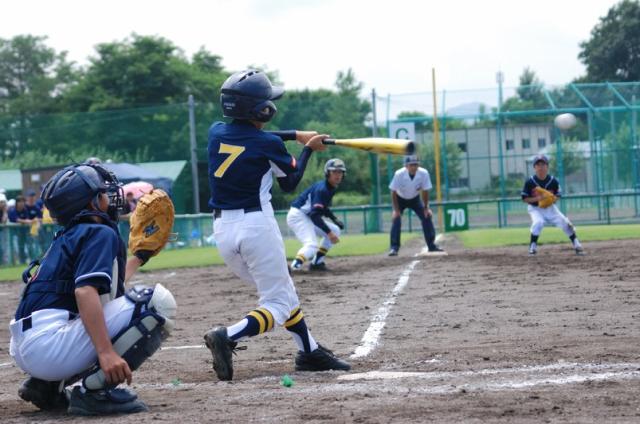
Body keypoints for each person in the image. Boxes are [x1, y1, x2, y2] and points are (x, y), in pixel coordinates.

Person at [203, 69, 350, 381]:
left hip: (223, 234)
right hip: (256, 228)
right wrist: (308, 148)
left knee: (284, 290)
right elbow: (290, 183)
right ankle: (227, 335)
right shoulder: (268, 145)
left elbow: (251, 139)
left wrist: (296, 135)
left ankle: (309, 352)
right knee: (277, 302)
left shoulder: (216, 132)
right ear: (263, 110)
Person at [9, 163, 177, 416]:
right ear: (90, 203)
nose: (109, 197)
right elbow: (85, 292)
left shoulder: (70, 235)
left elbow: (106, 290)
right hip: (50, 347)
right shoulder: (99, 232)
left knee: (106, 305)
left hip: (29, 347)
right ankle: (94, 392)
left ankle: (46, 385)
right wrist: (106, 353)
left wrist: (139, 258)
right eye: (102, 194)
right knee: (154, 302)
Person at [287, 158, 346, 271]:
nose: (338, 175)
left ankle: (317, 262)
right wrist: (329, 233)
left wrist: (334, 219)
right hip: (298, 216)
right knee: (312, 245)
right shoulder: (322, 189)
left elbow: (323, 208)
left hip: (306, 216)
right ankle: (294, 267)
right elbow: (315, 215)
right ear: (327, 173)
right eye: (334, 171)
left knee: (335, 230)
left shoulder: (330, 187)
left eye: (340, 172)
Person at [521, 154, 584, 256]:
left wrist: (552, 199)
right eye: (538, 165)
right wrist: (538, 198)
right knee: (538, 222)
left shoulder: (553, 181)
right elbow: (524, 198)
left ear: (547, 167)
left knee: (565, 222)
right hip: (535, 208)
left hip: (550, 208)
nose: (541, 167)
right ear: (534, 167)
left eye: (543, 164)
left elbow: (558, 194)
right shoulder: (530, 182)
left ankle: (577, 245)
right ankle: (532, 247)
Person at [388, 155, 444, 256]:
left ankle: (431, 246)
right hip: (400, 199)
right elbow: (393, 192)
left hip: (415, 199)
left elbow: (425, 191)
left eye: (416, 165)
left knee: (426, 217)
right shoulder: (399, 174)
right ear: (406, 166)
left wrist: (426, 208)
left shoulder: (423, 173)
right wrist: (396, 211)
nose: (414, 167)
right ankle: (394, 248)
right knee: (396, 220)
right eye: (411, 165)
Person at [8, 195, 32, 264]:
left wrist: (28, 221)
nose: (21, 203)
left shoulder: (25, 210)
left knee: (25, 247)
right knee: (16, 249)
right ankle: (13, 262)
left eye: (23, 202)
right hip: (13, 234)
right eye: (20, 202)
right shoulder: (12, 210)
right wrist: (28, 221)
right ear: (16, 203)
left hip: (24, 233)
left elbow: (27, 219)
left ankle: (25, 261)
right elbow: (17, 220)